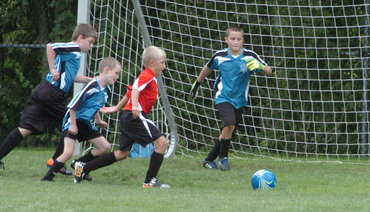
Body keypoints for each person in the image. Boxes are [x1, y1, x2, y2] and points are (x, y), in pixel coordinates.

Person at [0, 23, 96, 175]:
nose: (91, 46)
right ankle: (55, 162)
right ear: (80, 37)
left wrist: (91, 80)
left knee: (26, 129)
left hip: (44, 91)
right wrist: (52, 68)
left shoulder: (73, 53)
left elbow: (70, 76)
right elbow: (50, 46)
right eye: (90, 42)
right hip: (52, 94)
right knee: (71, 126)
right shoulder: (73, 48)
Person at [73, 46, 171, 188]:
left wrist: (117, 107)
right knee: (162, 143)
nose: (164, 66)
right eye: (162, 62)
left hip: (128, 117)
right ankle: (150, 181)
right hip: (135, 117)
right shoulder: (147, 75)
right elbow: (135, 89)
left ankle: (84, 168)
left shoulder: (149, 77)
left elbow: (129, 92)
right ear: (151, 63)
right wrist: (135, 106)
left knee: (122, 154)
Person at [190, 25, 273, 171]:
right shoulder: (219, 56)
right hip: (223, 96)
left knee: (229, 132)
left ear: (243, 40)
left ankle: (208, 160)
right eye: (232, 39)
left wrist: (259, 66)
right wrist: (197, 83)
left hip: (240, 100)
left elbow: (269, 71)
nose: (235, 42)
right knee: (229, 124)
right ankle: (223, 158)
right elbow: (207, 68)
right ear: (226, 40)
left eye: (238, 39)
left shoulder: (249, 55)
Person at [41, 57, 122, 182]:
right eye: (116, 73)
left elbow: (96, 105)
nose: (117, 77)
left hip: (84, 122)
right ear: (106, 70)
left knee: (105, 147)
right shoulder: (92, 85)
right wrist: (73, 125)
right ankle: (47, 178)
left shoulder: (107, 90)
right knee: (68, 152)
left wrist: (98, 120)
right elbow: (73, 106)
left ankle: (79, 163)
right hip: (72, 120)